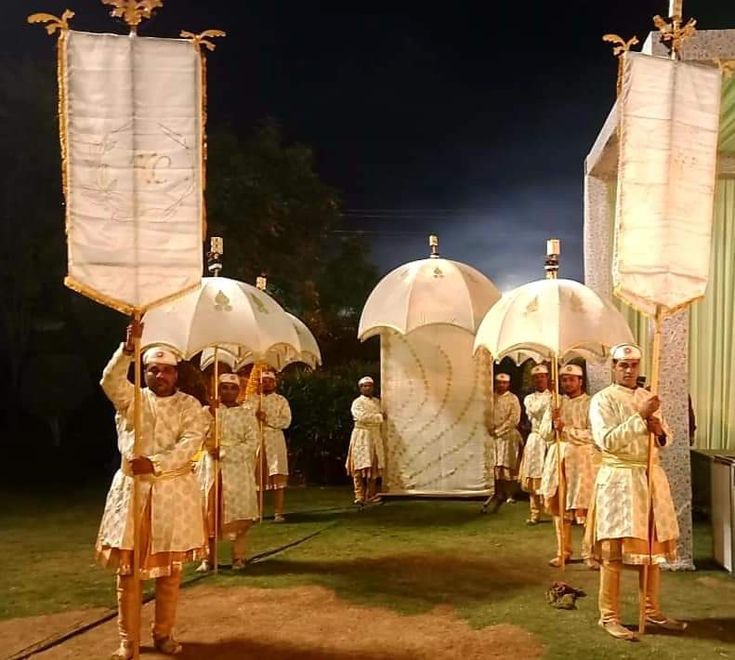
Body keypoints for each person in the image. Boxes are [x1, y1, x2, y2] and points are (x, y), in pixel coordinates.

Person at [96, 321, 209, 659]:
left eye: (166, 371)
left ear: (176, 374)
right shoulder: (131, 400)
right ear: (143, 372)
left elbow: (191, 443)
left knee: (170, 574)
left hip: (171, 495)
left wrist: (156, 464)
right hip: (131, 494)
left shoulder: (190, 406)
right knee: (128, 574)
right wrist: (128, 349)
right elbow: (110, 381)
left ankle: (163, 633)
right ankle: (127, 641)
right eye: (152, 370)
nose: (159, 376)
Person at [585, 343, 686, 641]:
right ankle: (609, 616)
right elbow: (607, 442)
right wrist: (638, 417)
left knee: (652, 551)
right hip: (619, 479)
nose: (629, 370)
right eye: (622, 365)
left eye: (634, 365)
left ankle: (651, 610)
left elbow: (666, 438)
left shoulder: (648, 397)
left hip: (651, 478)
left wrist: (658, 430)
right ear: (613, 367)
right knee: (614, 553)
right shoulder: (602, 400)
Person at [197, 374, 259, 572]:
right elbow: (197, 434)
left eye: (233, 388)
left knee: (239, 512)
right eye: (224, 387)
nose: (228, 392)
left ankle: (238, 557)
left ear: (238, 391)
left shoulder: (246, 414)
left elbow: (252, 443)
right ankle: (208, 558)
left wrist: (225, 452)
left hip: (237, 468)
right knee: (209, 511)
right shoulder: (208, 411)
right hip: (212, 467)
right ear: (218, 390)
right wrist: (212, 420)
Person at [540, 363, 598, 568]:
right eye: (564, 379)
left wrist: (567, 429)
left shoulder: (591, 404)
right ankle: (563, 551)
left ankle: (589, 553)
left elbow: (594, 435)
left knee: (586, 509)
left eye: (571, 379)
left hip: (582, 462)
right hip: (559, 458)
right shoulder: (556, 403)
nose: (567, 383)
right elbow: (545, 434)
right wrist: (552, 421)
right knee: (559, 508)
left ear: (581, 381)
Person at [247, 370, 292, 522]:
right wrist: (254, 415)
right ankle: (257, 512)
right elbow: (243, 419)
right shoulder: (251, 400)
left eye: (269, 381)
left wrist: (267, 418)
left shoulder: (281, 401)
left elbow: (286, 421)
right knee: (256, 475)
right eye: (263, 381)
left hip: (275, 439)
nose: (266, 383)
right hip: (256, 440)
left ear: (274, 383)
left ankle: (278, 512)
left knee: (277, 475)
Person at [519, 365, 553, 524]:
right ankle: (535, 513)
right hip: (535, 438)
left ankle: (552, 511)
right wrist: (550, 401)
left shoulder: (555, 396)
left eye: (542, 376)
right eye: (537, 377)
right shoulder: (529, 399)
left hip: (550, 440)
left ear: (547, 378)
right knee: (533, 475)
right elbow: (535, 411)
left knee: (549, 474)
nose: (540, 380)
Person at [345, 376, 385, 505]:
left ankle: (371, 494)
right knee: (358, 466)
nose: (367, 388)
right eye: (365, 386)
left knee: (373, 467)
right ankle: (359, 495)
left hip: (374, 436)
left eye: (370, 385)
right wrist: (379, 417)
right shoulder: (357, 403)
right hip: (361, 436)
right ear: (360, 388)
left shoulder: (378, 402)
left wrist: (378, 419)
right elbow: (361, 417)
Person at [486, 372, 523, 512]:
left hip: (508, 436)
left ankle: (510, 494)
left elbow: (514, 418)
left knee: (508, 464)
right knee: (496, 464)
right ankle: (497, 492)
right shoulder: (490, 398)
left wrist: (499, 431)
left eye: (504, 383)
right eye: (499, 382)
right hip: (492, 435)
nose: (501, 385)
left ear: (508, 384)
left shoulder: (513, 399)